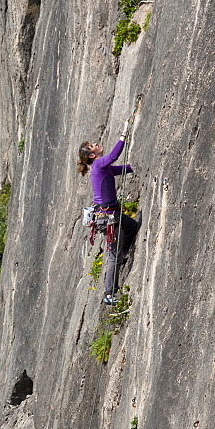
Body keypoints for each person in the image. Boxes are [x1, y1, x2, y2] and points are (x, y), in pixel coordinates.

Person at [77, 118, 139, 305]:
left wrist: (135, 167)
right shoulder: (98, 165)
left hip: (111, 215)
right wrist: (123, 135)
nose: (96, 144)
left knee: (132, 227)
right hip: (107, 218)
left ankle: (122, 255)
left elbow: (119, 169)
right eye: (92, 146)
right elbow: (113, 156)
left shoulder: (102, 168)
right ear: (92, 156)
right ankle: (109, 294)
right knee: (112, 255)